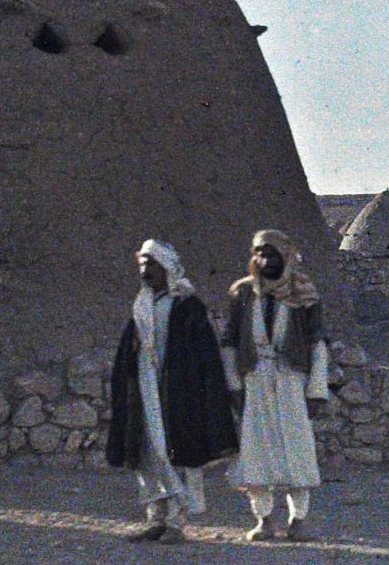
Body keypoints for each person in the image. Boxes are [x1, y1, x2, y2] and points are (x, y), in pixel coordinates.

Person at [105, 239, 237, 544]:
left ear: (167, 268)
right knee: (148, 452)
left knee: (177, 452)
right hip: (146, 387)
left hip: (179, 392)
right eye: (142, 265)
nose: (145, 271)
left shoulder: (186, 305)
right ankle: (156, 517)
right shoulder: (142, 304)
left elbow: (205, 355)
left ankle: (178, 520)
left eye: (151, 265)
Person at [222, 229, 331, 542]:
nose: (264, 260)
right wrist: (234, 385)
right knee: (255, 453)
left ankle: (298, 520)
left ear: (285, 257)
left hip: (290, 381)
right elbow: (230, 341)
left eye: (271, 254)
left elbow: (317, 343)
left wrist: (316, 389)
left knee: (297, 450)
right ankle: (264, 519)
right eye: (259, 253)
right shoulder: (242, 293)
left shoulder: (303, 293)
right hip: (255, 380)